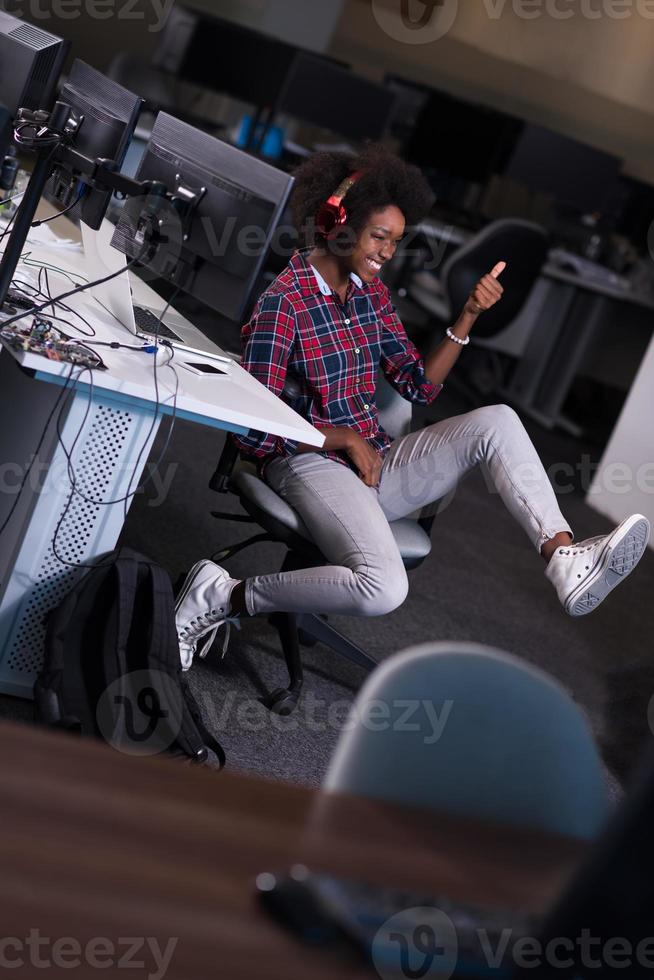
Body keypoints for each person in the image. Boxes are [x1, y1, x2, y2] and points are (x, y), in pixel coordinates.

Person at [174, 145, 650, 669]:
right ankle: (223, 595)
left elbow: (419, 386)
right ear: (339, 224)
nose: (387, 253)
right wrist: (341, 437)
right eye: (380, 237)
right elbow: (252, 429)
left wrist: (467, 315)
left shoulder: (370, 295)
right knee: (382, 589)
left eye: (396, 242)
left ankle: (563, 556)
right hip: (305, 460)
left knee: (498, 421)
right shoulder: (283, 302)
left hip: (374, 463)